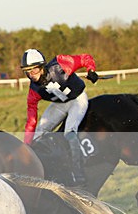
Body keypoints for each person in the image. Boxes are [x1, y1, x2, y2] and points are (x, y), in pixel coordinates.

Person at [21, 48, 99, 187]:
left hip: (77, 99)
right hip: (59, 104)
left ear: (42, 67)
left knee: (69, 133)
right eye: (28, 72)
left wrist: (91, 70)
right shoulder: (33, 90)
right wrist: (26, 145)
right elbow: (31, 120)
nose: (32, 75)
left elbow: (85, 58)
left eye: (34, 70)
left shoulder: (60, 64)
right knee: (38, 133)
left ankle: (78, 173)